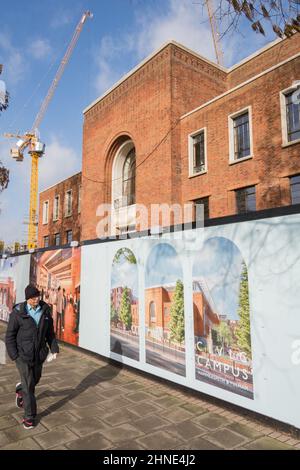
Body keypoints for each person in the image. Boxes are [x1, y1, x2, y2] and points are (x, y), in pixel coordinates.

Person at [5, 284, 59, 429]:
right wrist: (14, 355)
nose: (36, 299)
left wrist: (54, 348)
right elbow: (10, 336)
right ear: (27, 298)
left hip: (39, 355)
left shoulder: (45, 311)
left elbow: (50, 333)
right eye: (33, 297)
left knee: (35, 380)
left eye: (37, 296)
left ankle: (19, 390)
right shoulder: (18, 312)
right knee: (29, 388)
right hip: (22, 355)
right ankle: (29, 417)